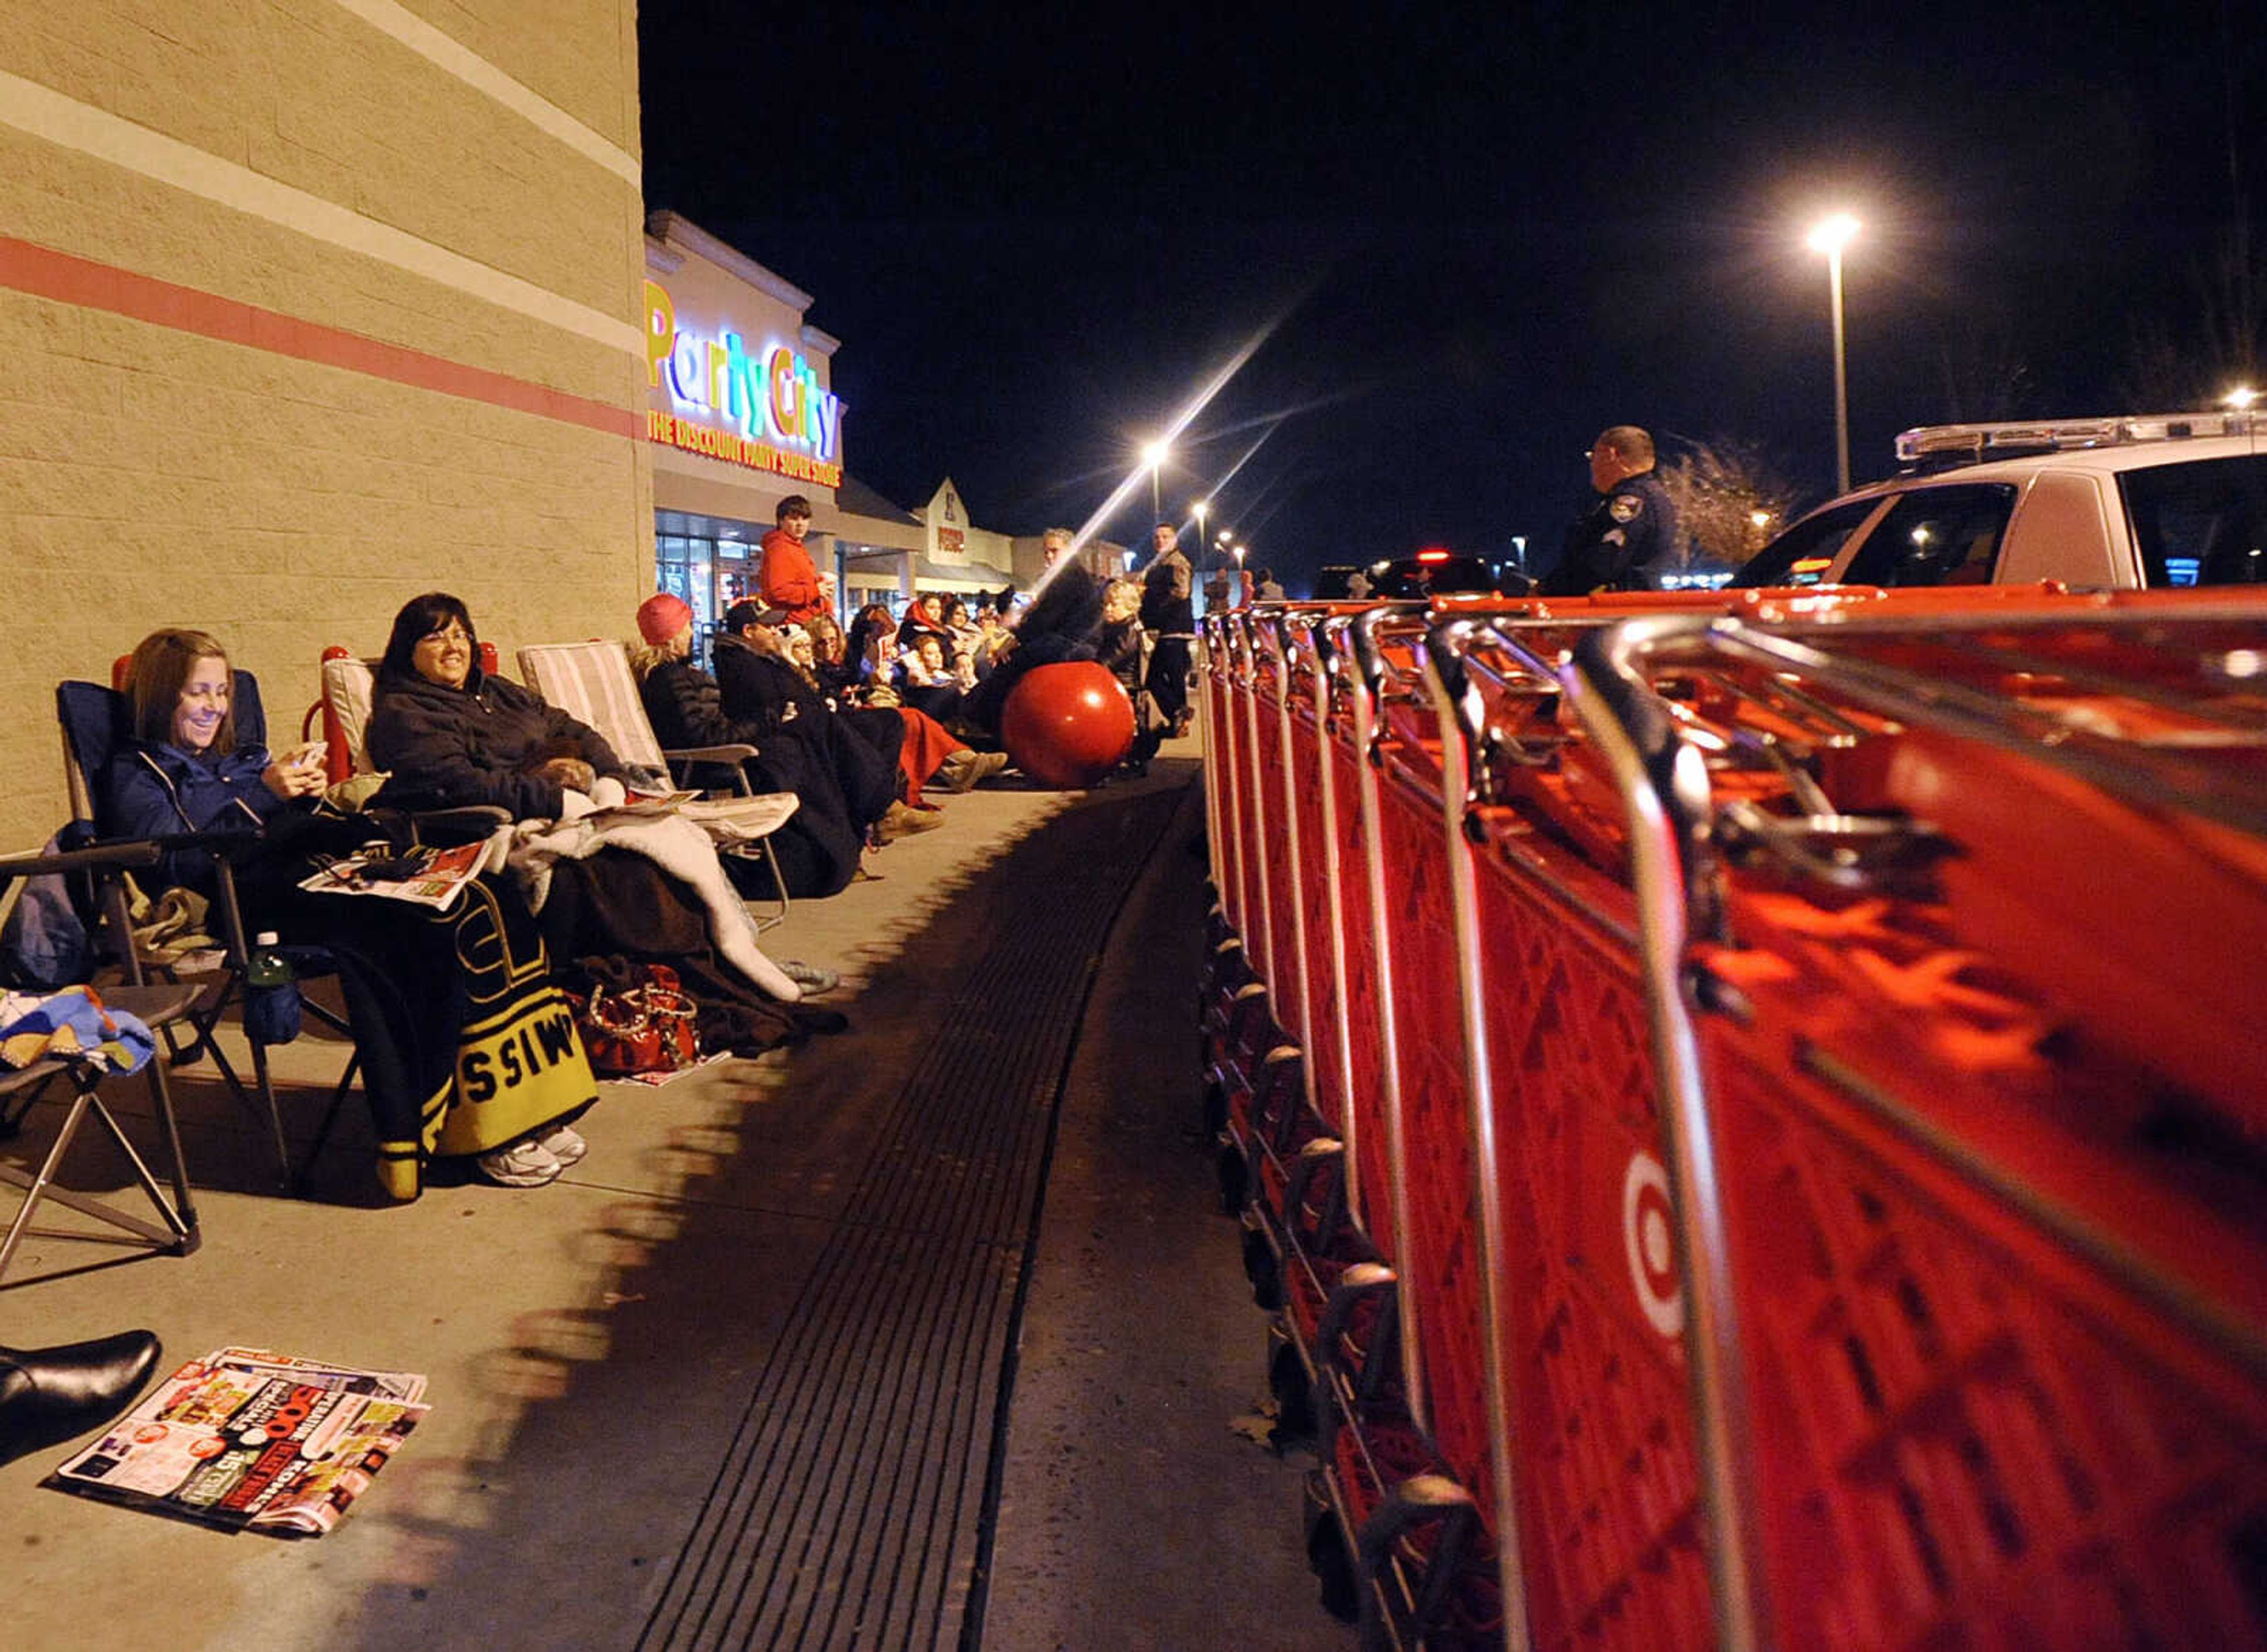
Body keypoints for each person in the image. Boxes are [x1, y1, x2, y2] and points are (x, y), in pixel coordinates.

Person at [365, 593, 641, 817]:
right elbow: (454, 782)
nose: (453, 647)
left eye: (460, 635)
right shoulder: (406, 709)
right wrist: (554, 801)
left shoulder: (499, 690)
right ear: (407, 651)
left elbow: (573, 730)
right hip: (495, 823)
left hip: (563, 806)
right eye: (435, 638)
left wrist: (611, 778)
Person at [103, 628, 328, 900]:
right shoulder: (140, 772)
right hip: (237, 900)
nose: (216, 707)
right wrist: (264, 796)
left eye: (222, 692)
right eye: (198, 693)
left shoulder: (241, 757)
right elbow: (170, 867)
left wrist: (302, 793)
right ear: (161, 699)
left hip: (307, 871)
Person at [962, 527, 1105, 736]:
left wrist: (1013, 642)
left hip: (1068, 644)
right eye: (1046, 551)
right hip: (1077, 643)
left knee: (1007, 665)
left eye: (1054, 550)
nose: (1048, 556)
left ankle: (989, 725)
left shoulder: (1067, 576)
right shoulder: (1074, 576)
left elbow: (1044, 620)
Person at [1541, 425, 1678, 596]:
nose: (1592, 465)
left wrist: (1547, 589)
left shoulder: (1631, 500)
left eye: (1593, 456)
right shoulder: (1651, 495)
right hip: (1632, 610)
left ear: (1611, 455)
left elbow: (1601, 565)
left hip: (1619, 612)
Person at [1139, 522, 1195, 737]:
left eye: (1165, 537)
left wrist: (1152, 600)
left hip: (1174, 628)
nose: (1160, 541)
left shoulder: (1177, 563)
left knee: (1156, 677)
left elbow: (1180, 593)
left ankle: (1178, 715)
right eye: (1157, 537)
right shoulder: (1158, 564)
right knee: (1174, 678)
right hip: (1166, 628)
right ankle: (1178, 720)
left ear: (1175, 540)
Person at [756, 494, 834, 624]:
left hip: (803, 623)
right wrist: (816, 590)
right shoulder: (780, 548)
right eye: (794, 519)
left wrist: (817, 583)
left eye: (805, 518)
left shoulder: (793, 546)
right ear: (781, 521)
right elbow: (778, 591)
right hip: (795, 627)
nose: (800, 524)